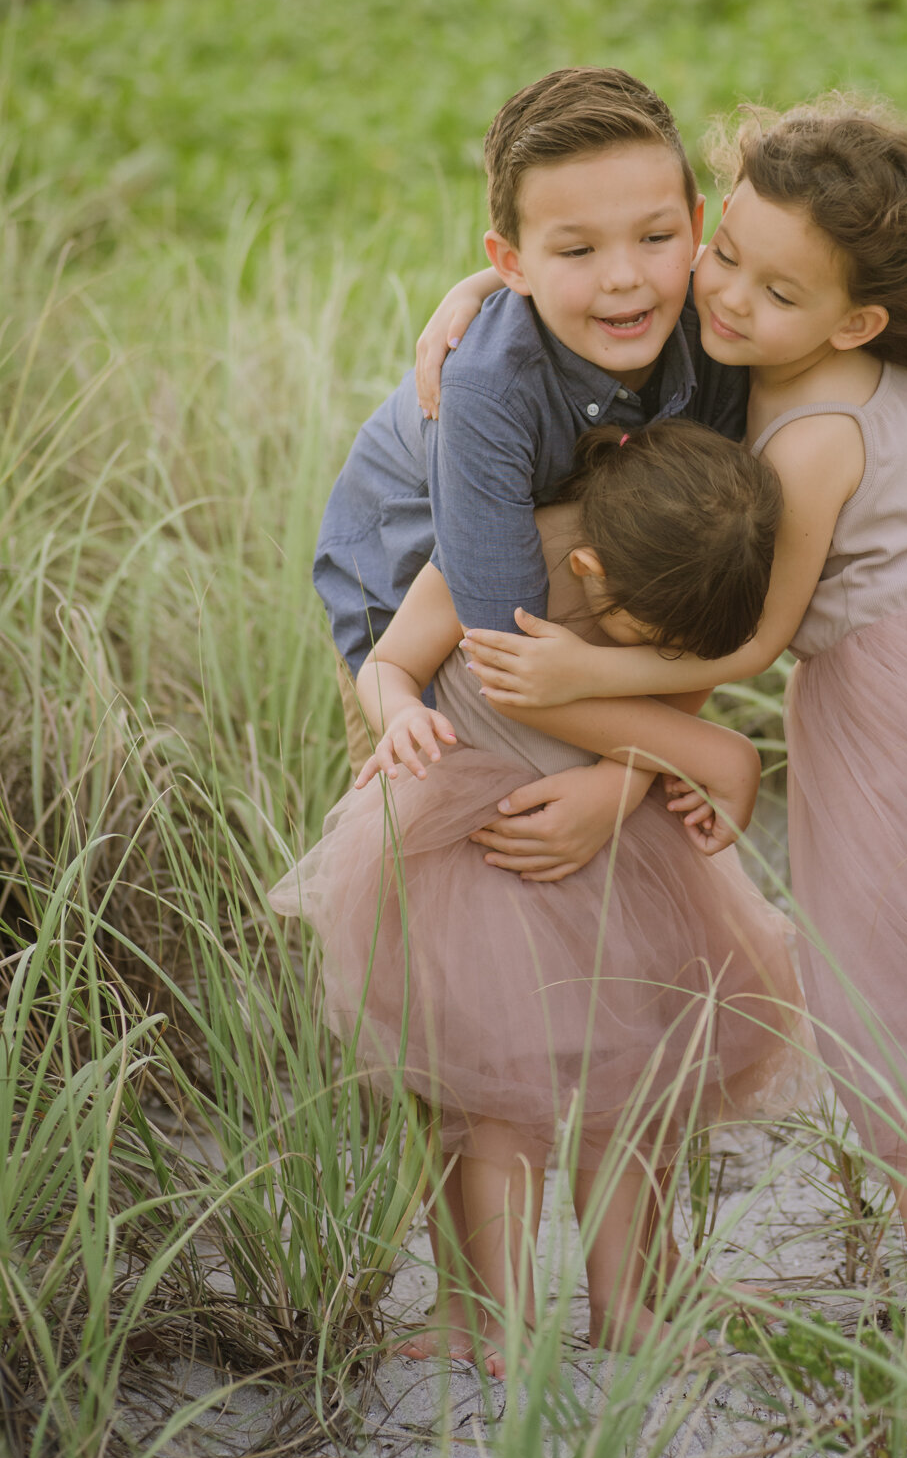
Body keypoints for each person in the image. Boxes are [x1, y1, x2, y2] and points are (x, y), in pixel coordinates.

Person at [457, 94, 907, 1341]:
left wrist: (585, 683)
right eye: (724, 252)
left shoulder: (815, 434)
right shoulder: (807, 356)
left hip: (894, 706)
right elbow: (569, 274)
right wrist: (465, 304)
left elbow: (751, 634)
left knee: (891, 1002)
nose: (725, 296)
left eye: (772, 291)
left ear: (855, 318)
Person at [270, 419, 810, 1373]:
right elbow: (391, 661)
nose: (655, 661)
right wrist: (397, 721)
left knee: (641, 1074)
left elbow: (673, 699)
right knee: (483, 1093)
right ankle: (483, 1310)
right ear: (594, 571)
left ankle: (629, 1300)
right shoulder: (498, 555)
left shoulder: (681, 581)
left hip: (618, 844)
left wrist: (646, 761)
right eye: (647, 643)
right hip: (474, 842)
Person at [313, 64, 746, 789]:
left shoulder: (722, 329)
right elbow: (501, 652)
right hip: (423, 600)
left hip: (590, 597)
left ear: (697, 230)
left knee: (607, 855)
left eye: (655, 237)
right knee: (443, 823)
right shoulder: (486, 387)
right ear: (512, 262)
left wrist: (621, 783)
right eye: (577, 251)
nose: (622, 277)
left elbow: (713, 589)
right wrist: (690, 753)